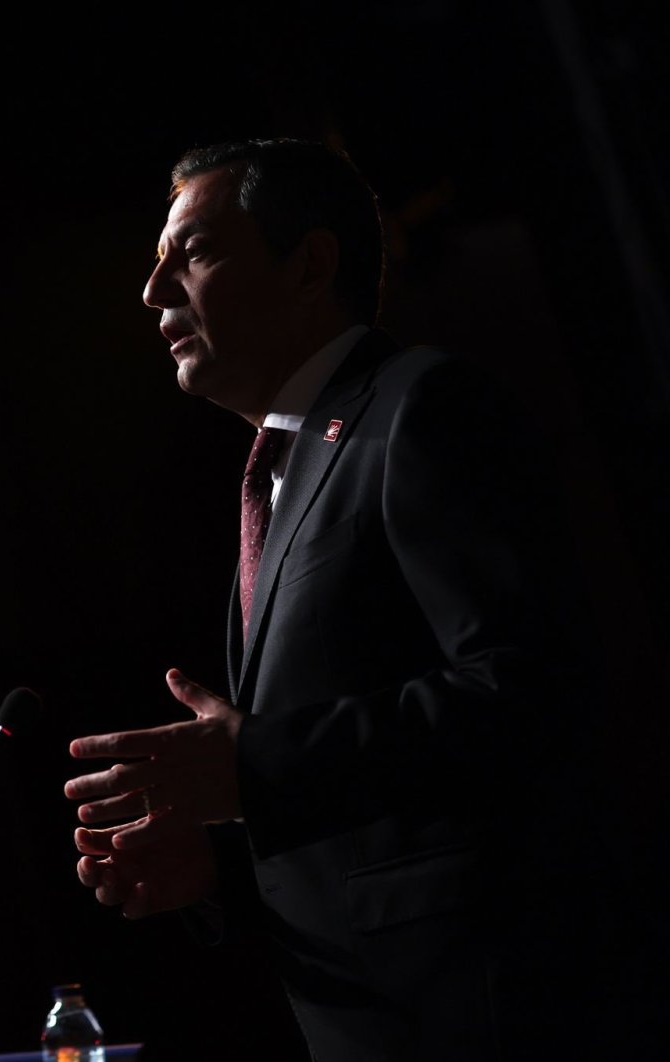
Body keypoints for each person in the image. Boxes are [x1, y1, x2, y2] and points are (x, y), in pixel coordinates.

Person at [60, 138, 630, 1060]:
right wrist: (221, 868)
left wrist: (256, 768)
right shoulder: (284, 468)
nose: (154, 291)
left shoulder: (421, 408)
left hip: (488, 1013)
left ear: (310, 264)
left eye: (194, 252)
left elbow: (531, 693)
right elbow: (354, 801)